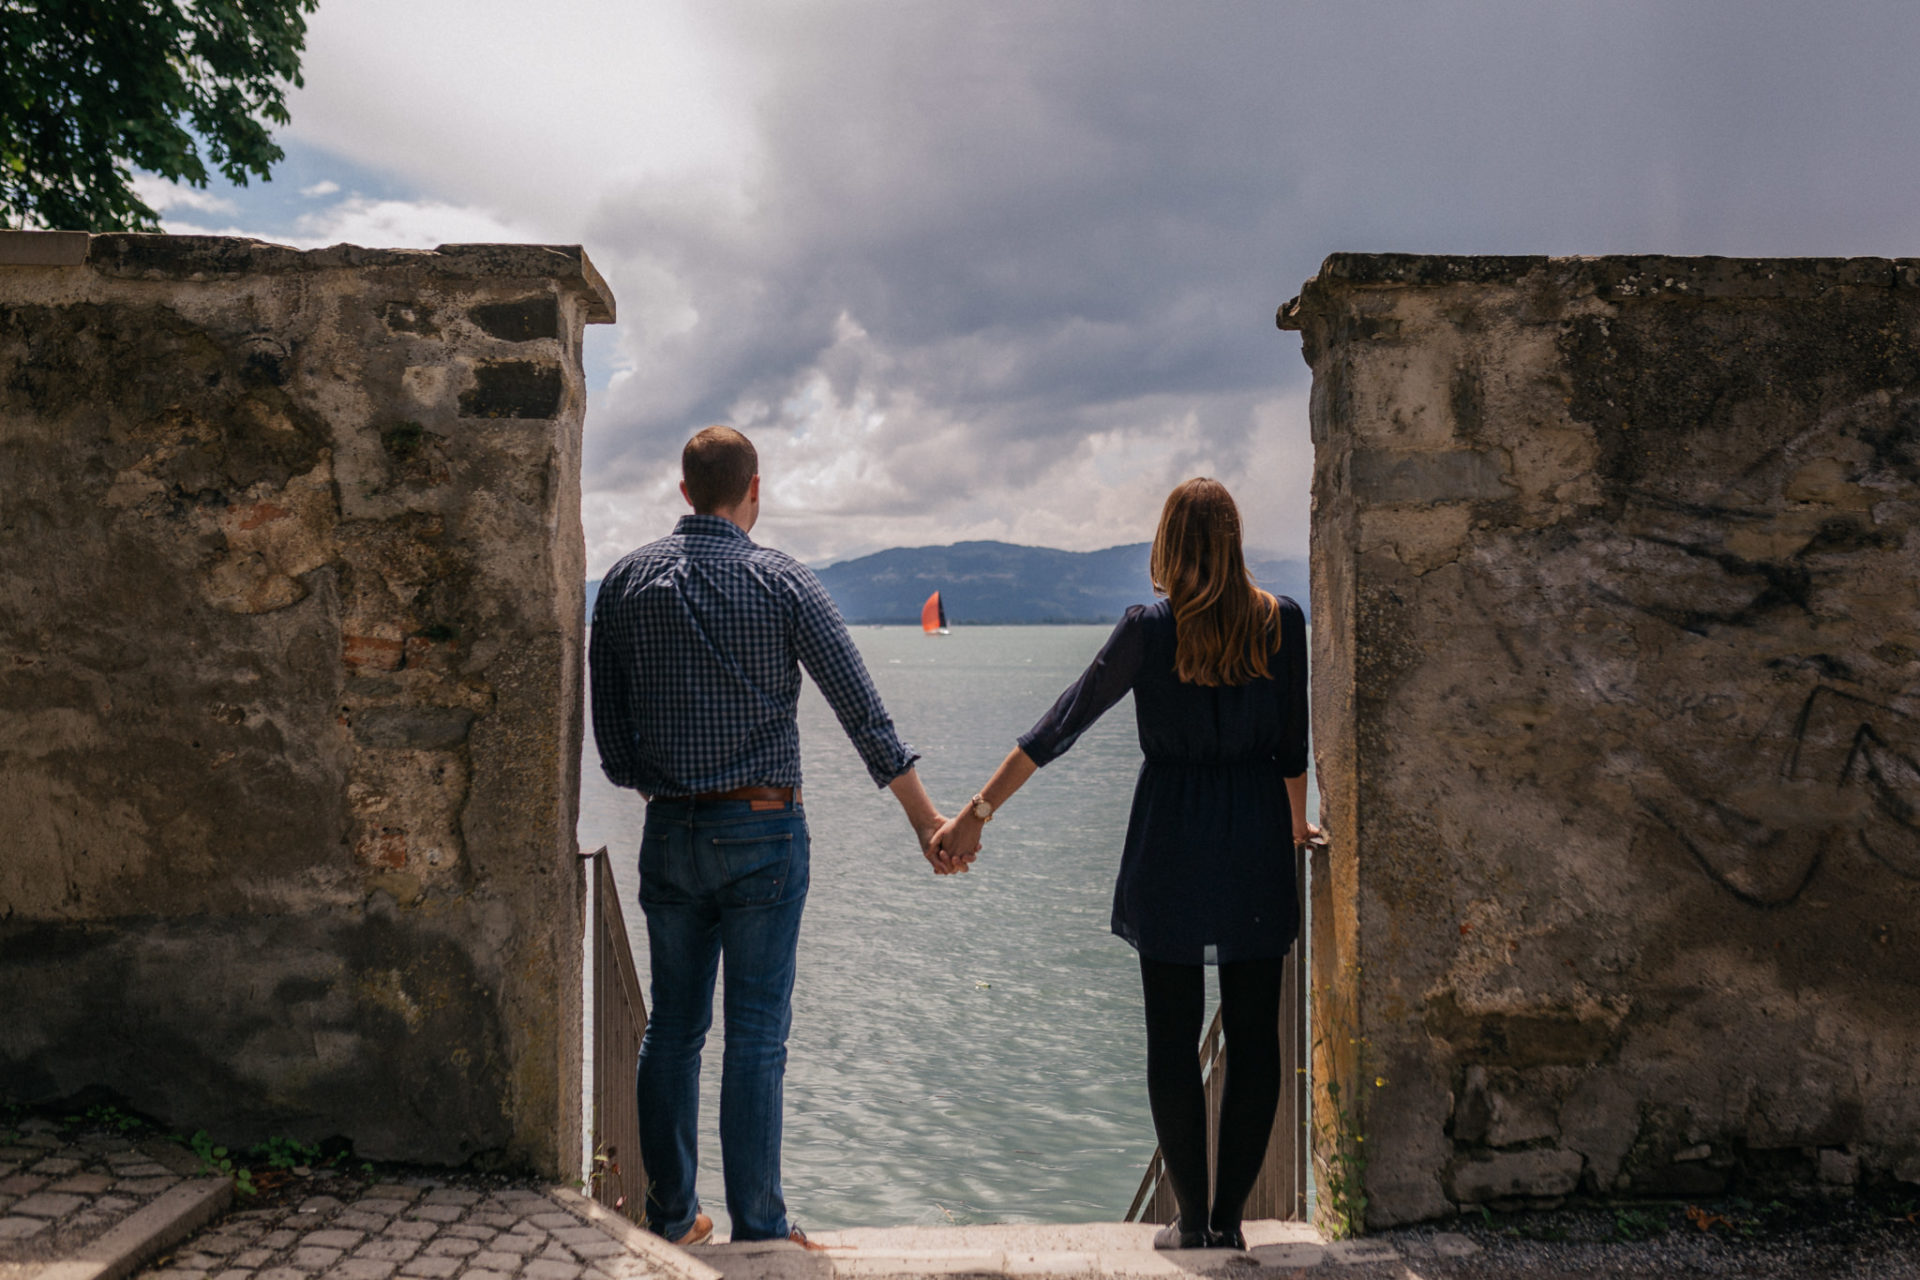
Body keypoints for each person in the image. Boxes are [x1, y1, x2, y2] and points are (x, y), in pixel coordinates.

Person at [589, 425, 969, 1249]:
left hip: (671, 833)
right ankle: (760, 1228)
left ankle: (672, 1217)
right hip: (765, 832)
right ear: (754, 489)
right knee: (756, 1034)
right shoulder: (783, 581)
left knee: (673, 1030)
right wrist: (926, 822)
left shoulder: (622, 584)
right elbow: (862, 711)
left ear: (685, 491)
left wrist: (668, 777)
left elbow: (613, 747)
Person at [933, 477, 1316, 1251]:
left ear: (1168, 546)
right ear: (1237, 540)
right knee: (1255, 1037)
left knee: (1170, 1039)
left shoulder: (1149, 629)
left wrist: (976, 814)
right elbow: (1290, 746)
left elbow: (1061, 724)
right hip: (1253, 838)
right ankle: (1232, 1225)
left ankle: (1193, 1221)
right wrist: (1297, 825)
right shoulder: (1284, 622)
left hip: (1172, 834)